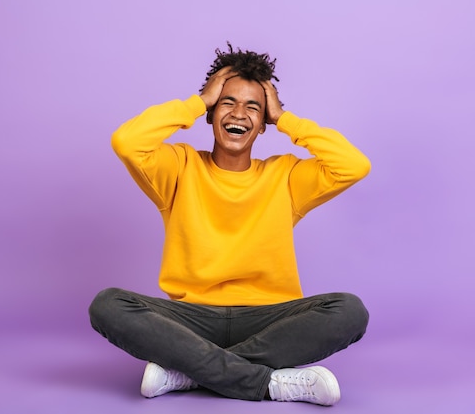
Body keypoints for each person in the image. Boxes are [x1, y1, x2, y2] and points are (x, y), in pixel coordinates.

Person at [89, 43, 371, 406]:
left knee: (348, 311)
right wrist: (198, 101)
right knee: (107, 305)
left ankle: (189, 371)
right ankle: (268, 383)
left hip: (269, 318)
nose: (239, 113)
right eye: (227, 102)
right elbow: (127, 142)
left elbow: (354, 165)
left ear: (263, 122)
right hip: (191, 317)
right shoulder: (178, 168)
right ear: (211, 114)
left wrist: (285, 117)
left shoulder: (285, 176)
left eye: (253, 106)